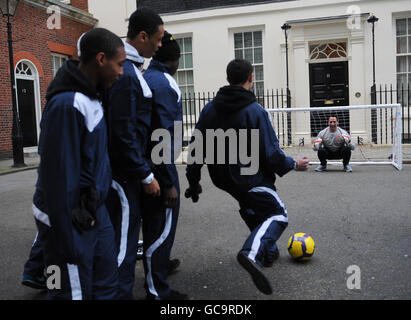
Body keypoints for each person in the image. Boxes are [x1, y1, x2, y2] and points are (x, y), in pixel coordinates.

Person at [185, 59, 309, 295]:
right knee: (277, 214)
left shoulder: (209, 109)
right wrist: (294, 164)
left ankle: (267, 252)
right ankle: (251, 253)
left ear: (228, 78)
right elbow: (271, 153)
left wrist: (193, 181)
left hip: (223, 178)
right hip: (250, 177)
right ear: (251, 78)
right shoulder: (255, 110)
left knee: (252, 205)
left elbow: (196, 147)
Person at [31, 28, 126, 299]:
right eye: (118, 65)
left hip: (92, 210)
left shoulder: (93, 96)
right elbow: (57, 177)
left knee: (107, 285)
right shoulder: (66, 104)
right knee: (66, 292)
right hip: (67, 219)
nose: (121, 73)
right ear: (100, 59)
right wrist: (66, 237)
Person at [105, 8, 164, 300]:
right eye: (158, 38)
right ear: (143, 36)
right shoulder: (127, 73)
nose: (160, 44)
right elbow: (124, 131)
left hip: (125, 174)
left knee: (122, 244)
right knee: (123, 249)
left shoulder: (130, 69)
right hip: (124, 176)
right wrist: (145, 173)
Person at [142, 31, 187, 300]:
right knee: (161, 229)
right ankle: (157, 291)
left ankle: (157, 265)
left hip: (146, 167)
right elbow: (164, 135)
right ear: (175, 60)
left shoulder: (146, 77)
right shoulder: (166, 83)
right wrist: (169, 180)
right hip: (160, 168)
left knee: (151, 225)